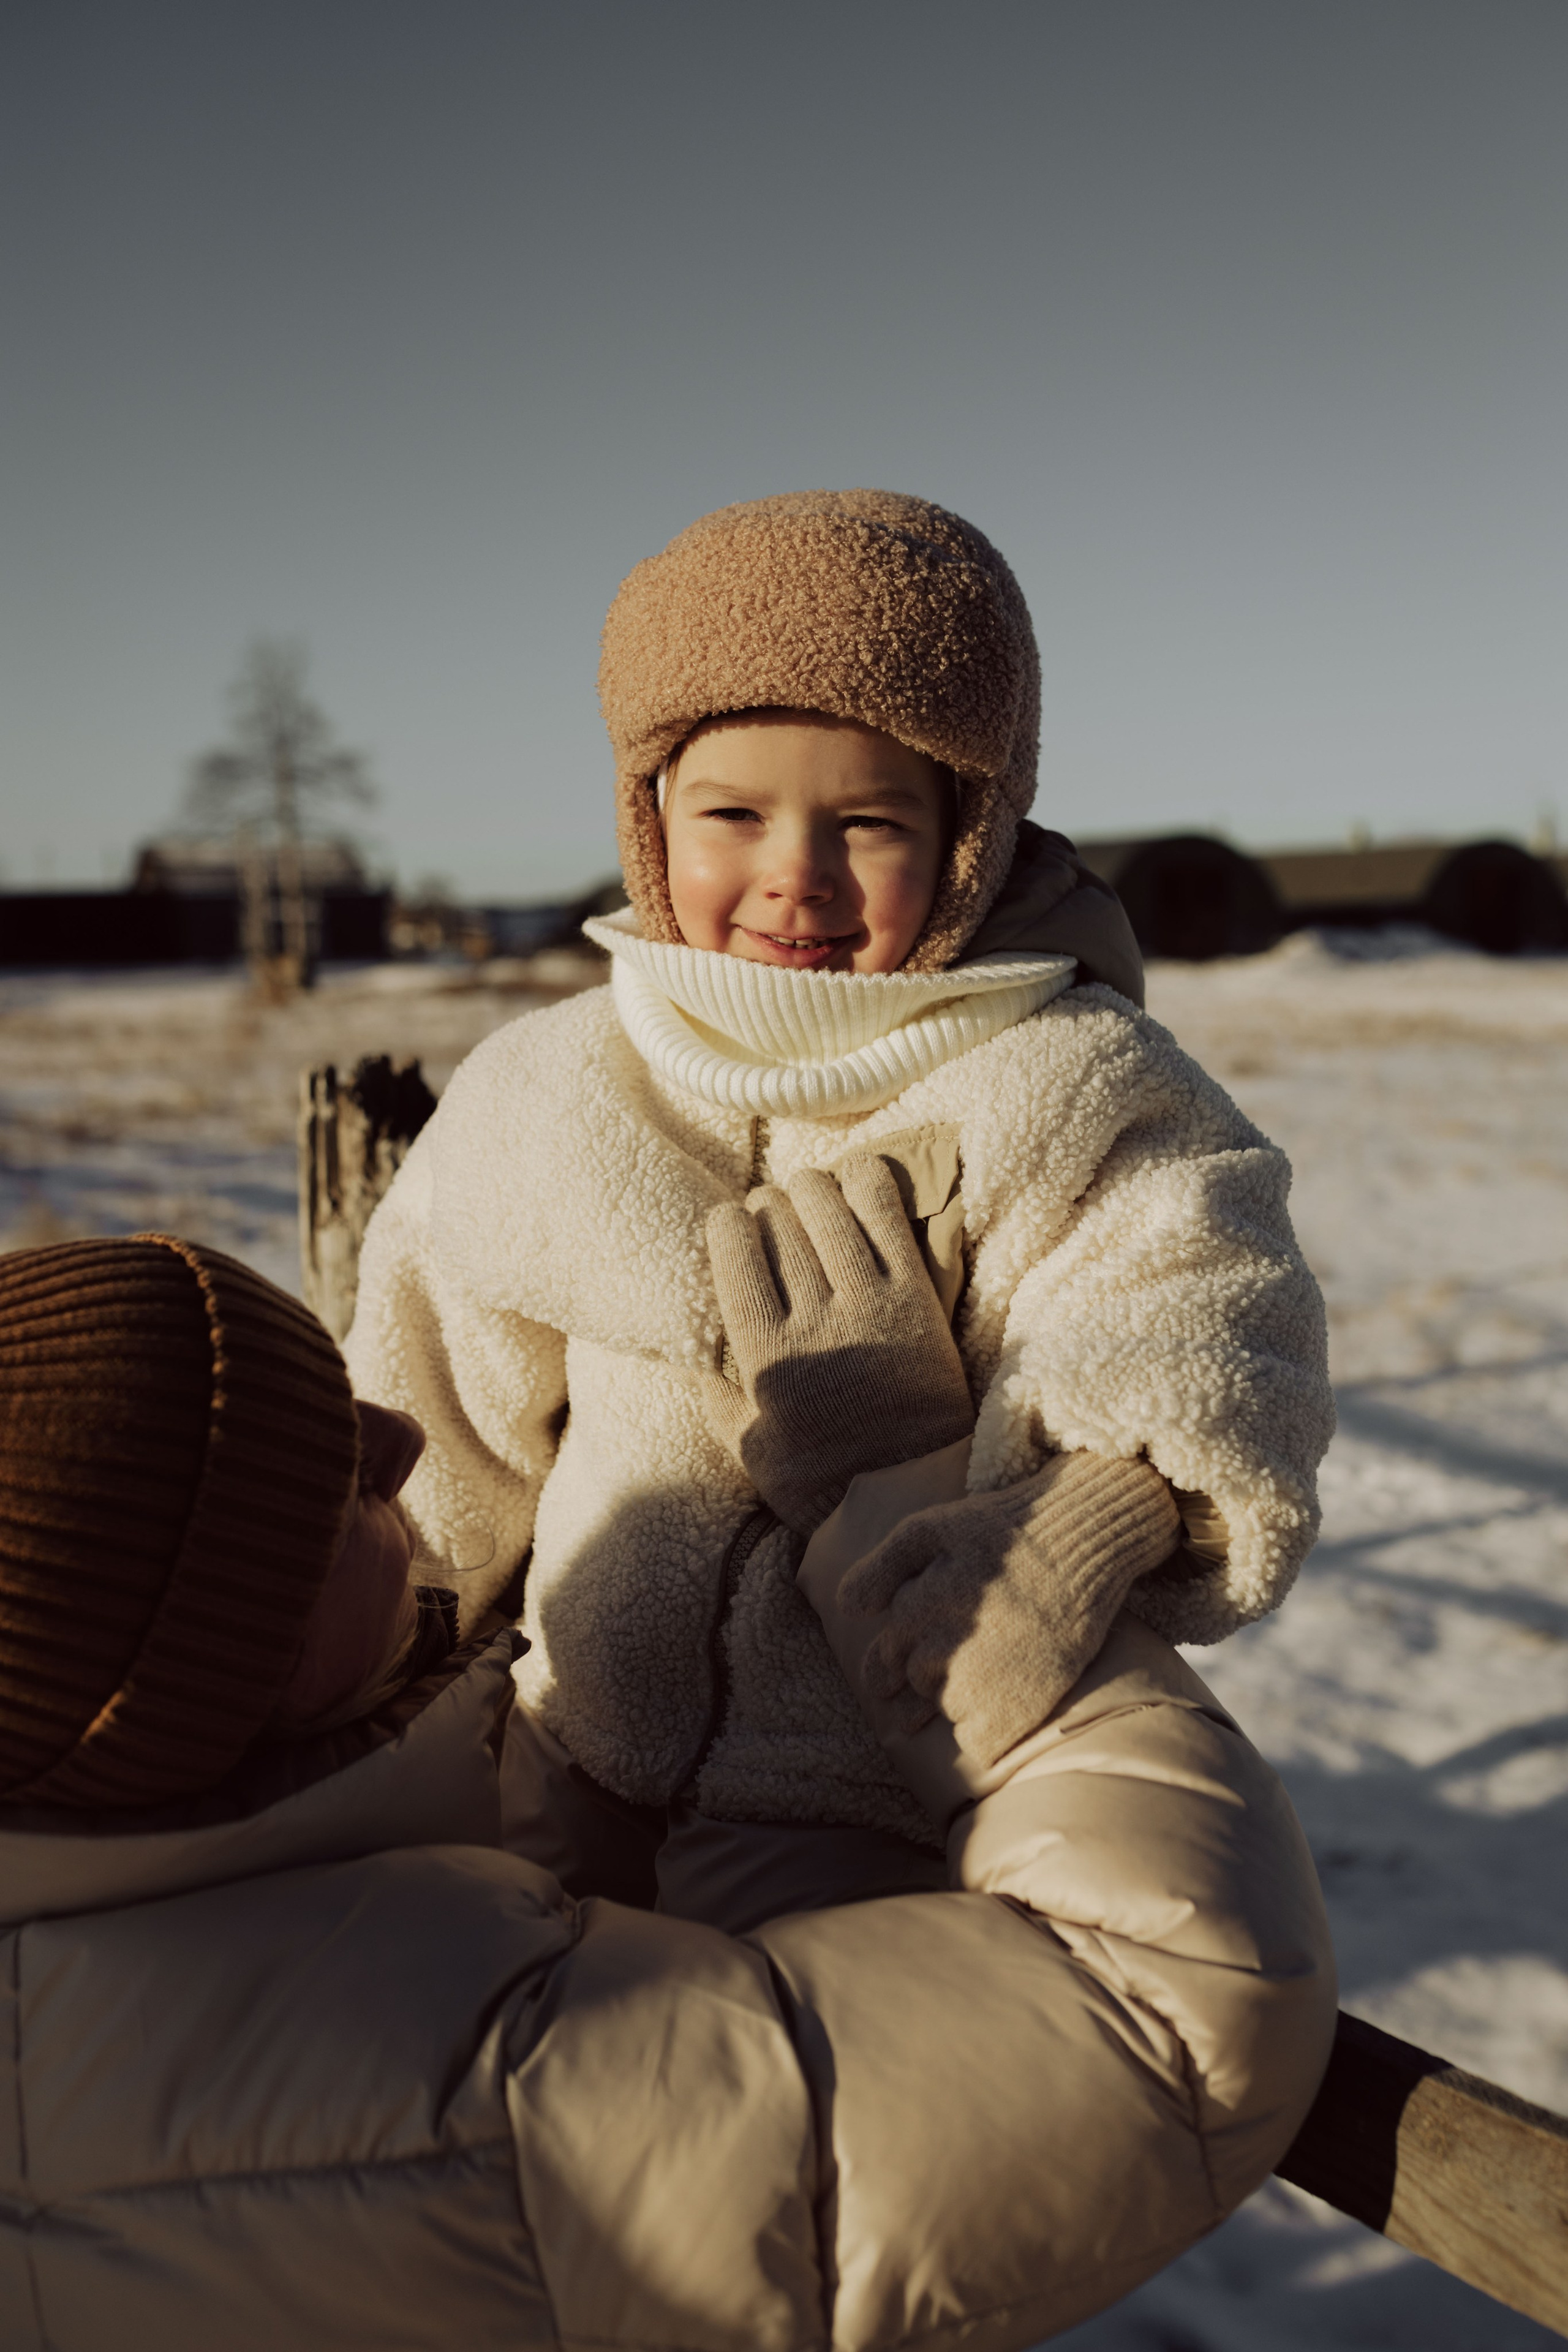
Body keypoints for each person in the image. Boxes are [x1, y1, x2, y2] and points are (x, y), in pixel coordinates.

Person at [0, 1229, 1335, 2350]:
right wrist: (903, 1511)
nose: (400, 1435)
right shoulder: (465, 2081)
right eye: (333, 1485)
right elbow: (1166, 2011)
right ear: (241, 1662)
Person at [345, 488, 1335, 1903]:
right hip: (560, 1752)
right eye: (732, 814)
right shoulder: (552, 1086)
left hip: (875, 1797)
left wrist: (1057, 1529)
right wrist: (384, 1653)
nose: (791, 879)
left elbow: (1199, 1324)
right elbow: (438, 1396)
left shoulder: (1068, 1079)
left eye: (865, 823)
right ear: (649, 818)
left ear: (968, 834)